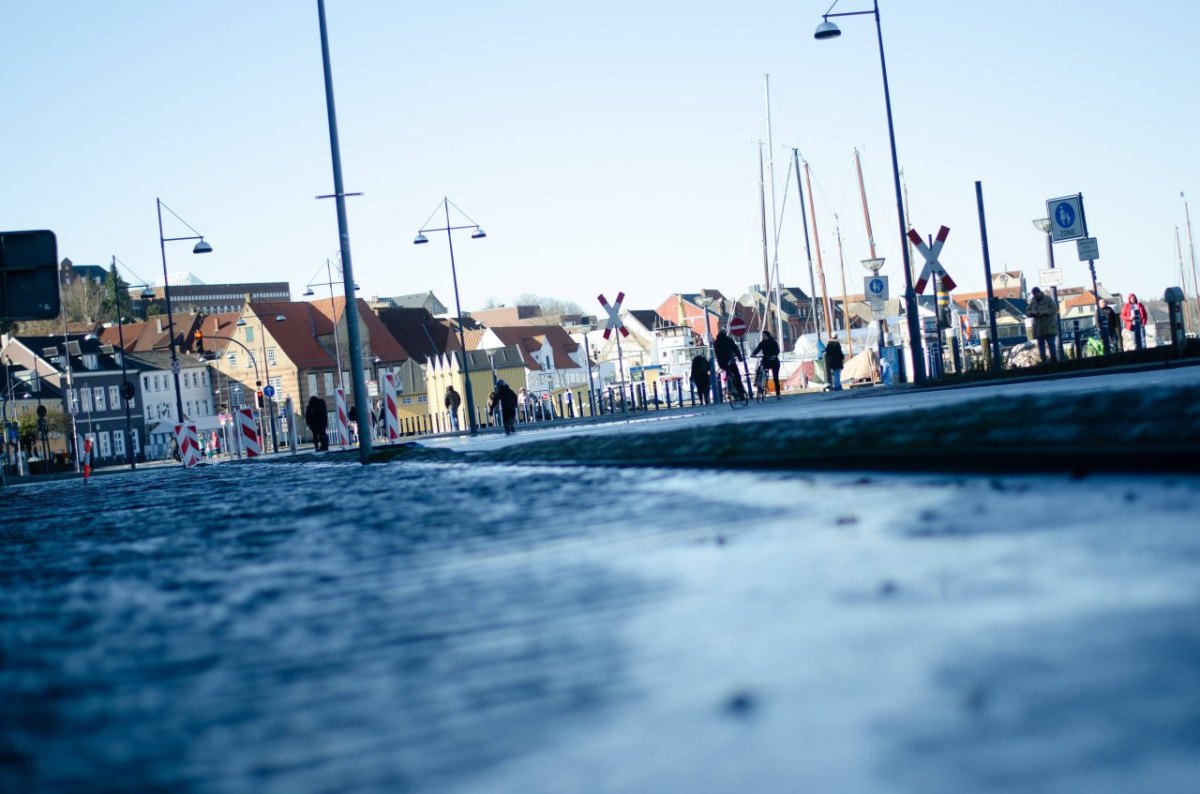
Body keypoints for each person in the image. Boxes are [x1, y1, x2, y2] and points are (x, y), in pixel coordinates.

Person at [1027, 286, 1060, 362]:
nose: (1035, 296)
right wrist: (1033, 313)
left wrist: (1043, 312)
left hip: (1049, 327)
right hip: (1039, 328)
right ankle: (1043, 361)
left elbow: (1054, 309)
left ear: (1039, 292)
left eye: (1036, 294)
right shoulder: (1033, 301)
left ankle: (1054, 360)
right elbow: (1027, 311)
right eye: (1034, 294)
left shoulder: (1048, 299)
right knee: (1041, 346)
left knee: (1051, 344)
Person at [714, 329, 745, 400]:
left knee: (728, 375)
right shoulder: (729, 340)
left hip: (722, 363)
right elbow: (735, 349)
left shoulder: (716, 342)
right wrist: (740, 357)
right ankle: (740, 393)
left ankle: (730, 390)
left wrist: (720, 364)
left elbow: (717, 354)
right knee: (737, 377)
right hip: (730, 362)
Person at [751, 329, 782, 399]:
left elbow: (777, 350)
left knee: (775, 378)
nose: (763, 337)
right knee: (759, 369)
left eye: (764, 335)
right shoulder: (762, 343)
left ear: (768, 336)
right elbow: (757, 349)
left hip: (774, 361)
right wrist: (753, 354)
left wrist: (774, 355)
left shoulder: (773, 342)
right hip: (766, 360)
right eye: (762, 335)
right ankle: (757, 382)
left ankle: (778, 394)